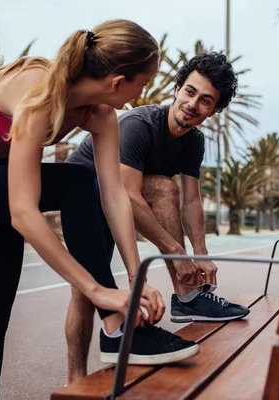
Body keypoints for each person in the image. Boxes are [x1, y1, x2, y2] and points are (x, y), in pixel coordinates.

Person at [0, 20, 200, 400]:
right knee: (73, 179)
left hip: (2, 184)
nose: (142, 95)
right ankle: (117, 327)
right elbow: (24, 213)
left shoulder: (101, 115)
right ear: (118, 81)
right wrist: (97, 291)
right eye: (143, 83)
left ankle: (117, 328)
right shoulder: (39, 94)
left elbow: (114, 196)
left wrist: (138, 278)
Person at [65, 52, 250, 383]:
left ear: (214, 111)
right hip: (84, 194)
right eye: (190, 92)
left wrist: (200, 254)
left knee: (167, 188)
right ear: (177, 89)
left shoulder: (193, 140)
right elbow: (128, 195)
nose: (193, 104)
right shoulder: (140, 126)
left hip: (120, 198)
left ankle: (190, 297)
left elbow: (192, 201)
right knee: (84, 290)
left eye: (206, 101)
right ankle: (75, 381)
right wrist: (176, 253)